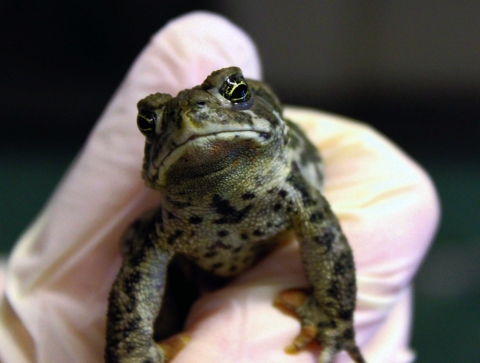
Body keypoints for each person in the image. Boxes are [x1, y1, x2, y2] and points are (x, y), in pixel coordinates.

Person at [0, 11, 439, 363]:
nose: (192, 118)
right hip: (194, 271)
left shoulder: (285, 184)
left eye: (233, 91)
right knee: (138, 239)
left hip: (261, 214)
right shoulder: (171, 223)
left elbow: (323, 232)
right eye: (151, 123)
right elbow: (142, 273)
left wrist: (335, 318)